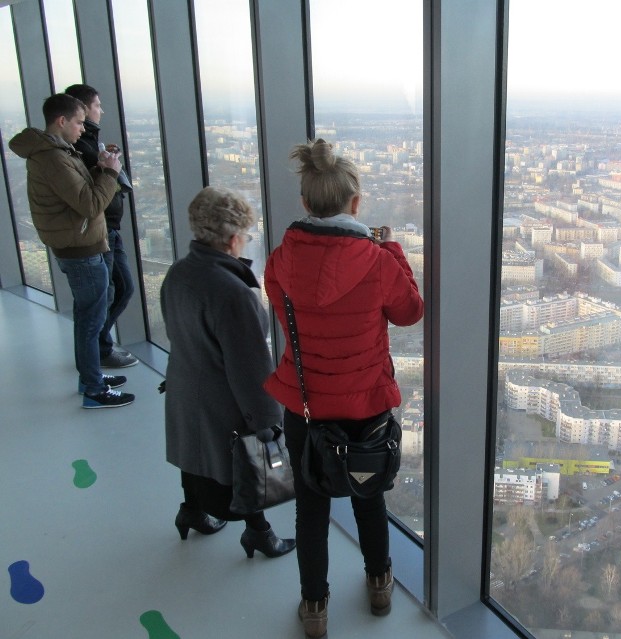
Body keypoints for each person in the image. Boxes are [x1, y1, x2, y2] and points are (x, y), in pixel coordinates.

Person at [264, 139, 424, 638]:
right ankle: (379, 587)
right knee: (367, 497)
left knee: (310, 509)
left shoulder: (280, 260)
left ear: (306, 203)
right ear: (356, 204)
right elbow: (410, 312)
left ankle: (314, 610)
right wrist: (390, 249)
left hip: (305, 407)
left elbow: (287, 315)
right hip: (366, 404)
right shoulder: (376, 261)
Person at [160, 186, 295, 560]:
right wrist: (268, 422)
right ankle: (259, 533)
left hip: (184, 386)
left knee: (193, 450)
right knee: (246, 464)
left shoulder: (178, 272)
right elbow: (250, 369)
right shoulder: (233, 292)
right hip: (223, 398)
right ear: (234, 238)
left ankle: (192, 511)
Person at [9, 93, 135, 409]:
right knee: (91, 318)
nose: (83, 129)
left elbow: (79, 193)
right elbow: (90, 203)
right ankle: (94, 389)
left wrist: (101, 167)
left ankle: (89, 377)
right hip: (80, 249)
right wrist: (108, 172)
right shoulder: (53, 158)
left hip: (79, 244)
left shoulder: (57, 152)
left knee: (90, 313)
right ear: (62, 121)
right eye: (79, 122)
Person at [64, 83, 138, 369]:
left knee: (115, 291)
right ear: (84, 109)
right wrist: (109, 169)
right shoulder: (80, 147)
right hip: (100, 230)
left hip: (107, 228)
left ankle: (95, 349)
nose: (102, 110)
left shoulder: (87, 142)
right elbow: (90, 197)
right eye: (97, 105)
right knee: (109, 294)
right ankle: (96, 352)